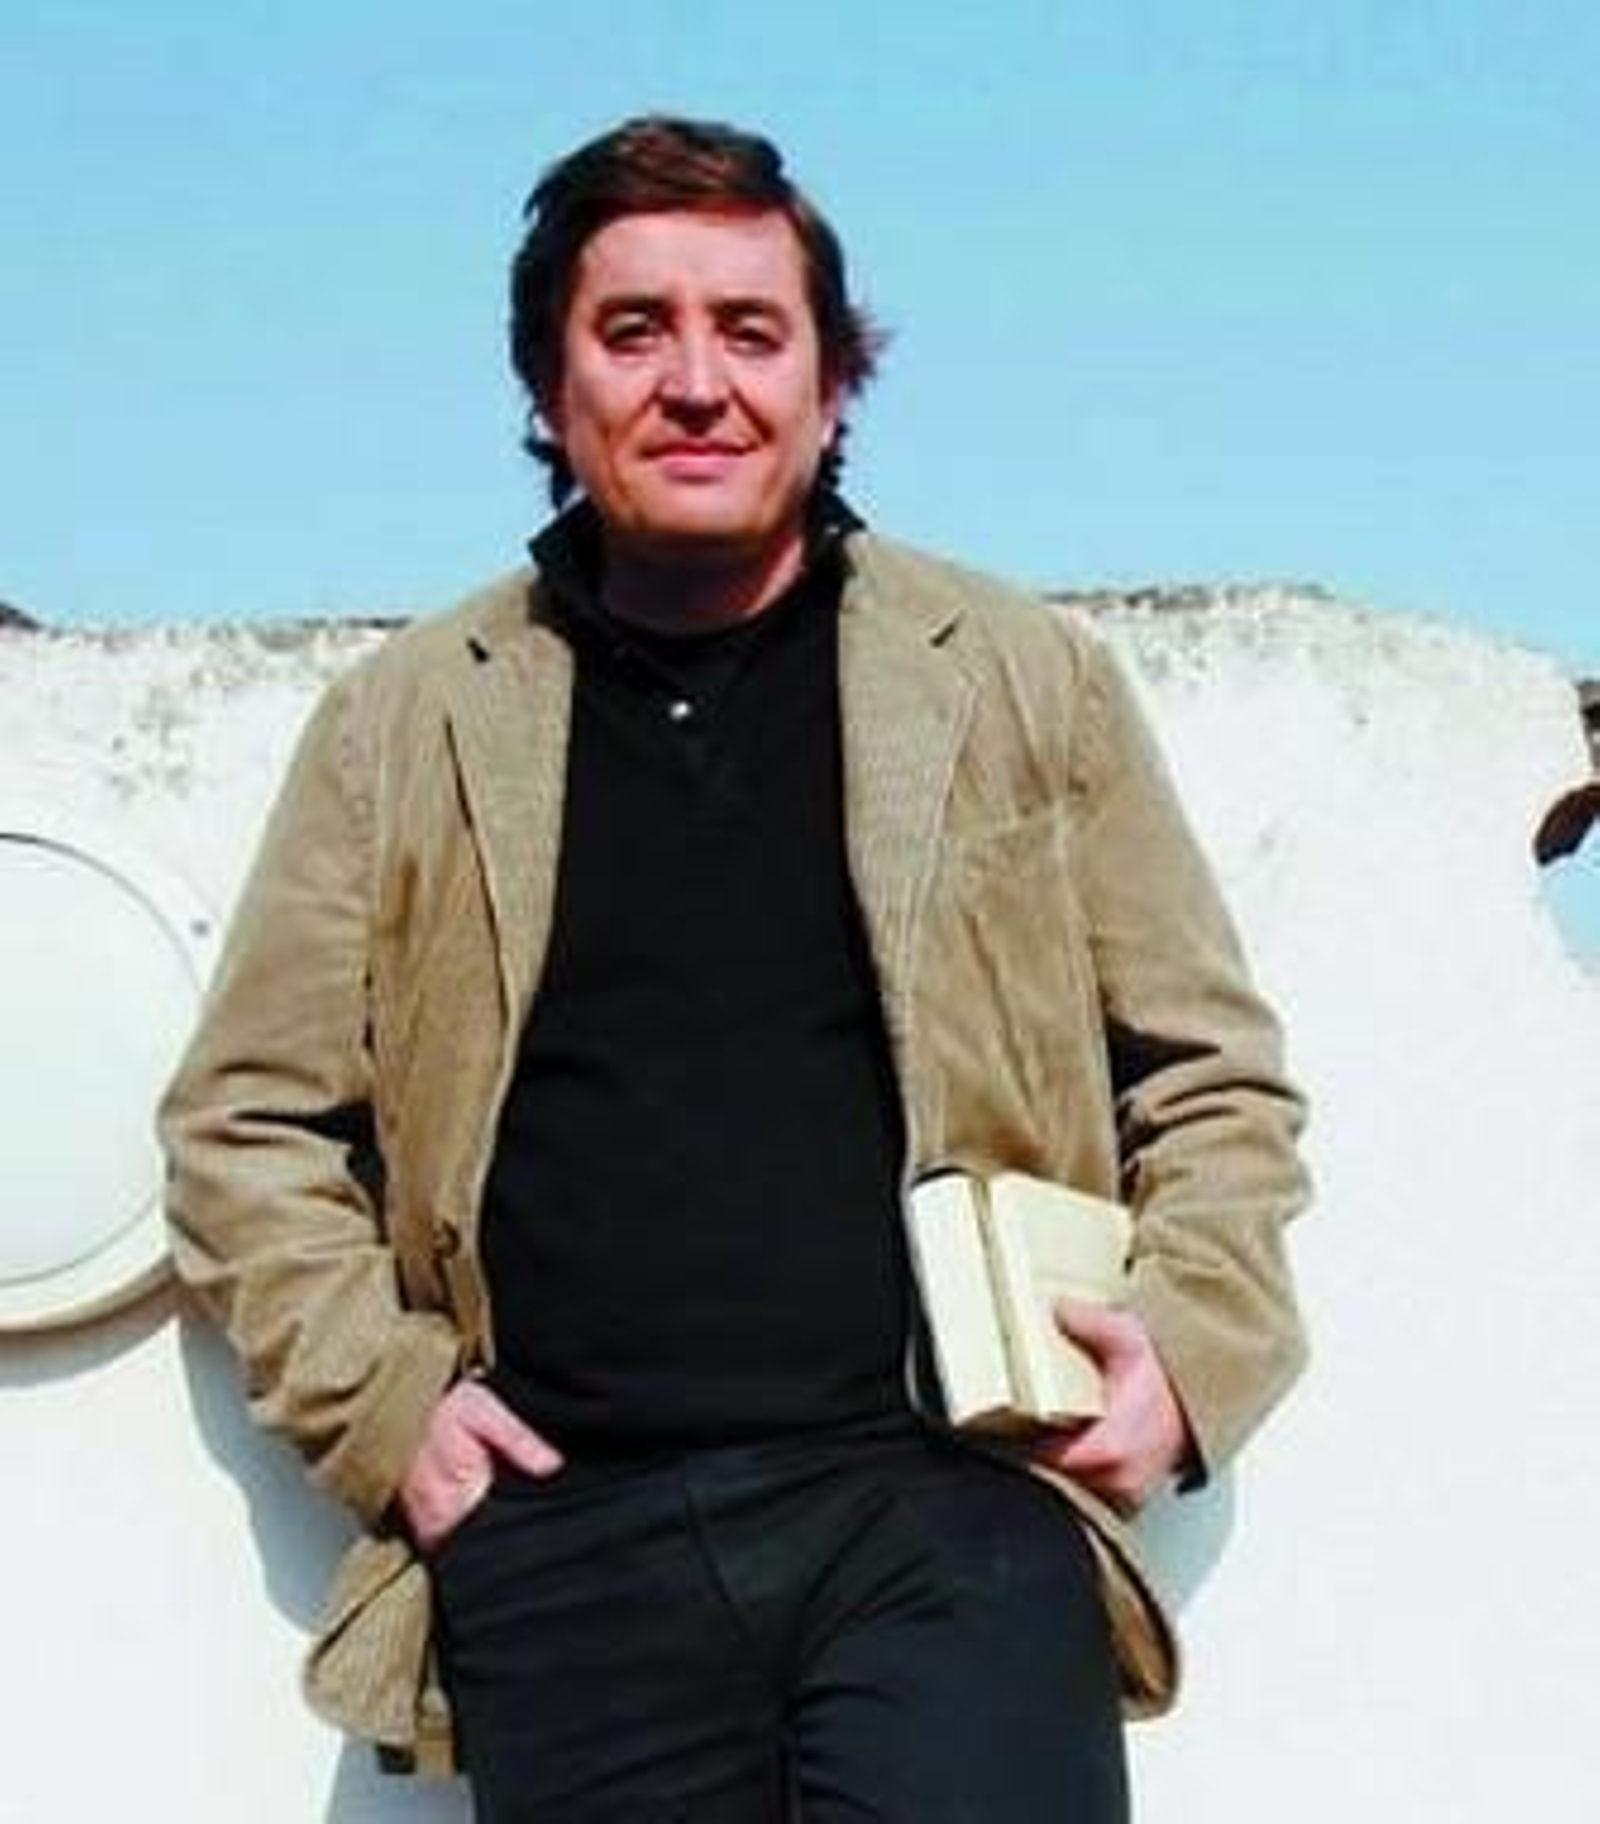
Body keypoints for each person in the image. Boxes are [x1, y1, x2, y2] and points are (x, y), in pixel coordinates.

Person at [160, 114, 1309, 1822]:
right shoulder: (406, 722)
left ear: (833, 386)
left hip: (949, 1512)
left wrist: (1190, 1351)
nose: (697, 383)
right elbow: (245, 1124)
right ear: (549, 388)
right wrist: (390, 1411)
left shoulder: (1016, 677)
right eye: (635, 331)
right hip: (568, 1542)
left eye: (751, 332)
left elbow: (1213, 1078)